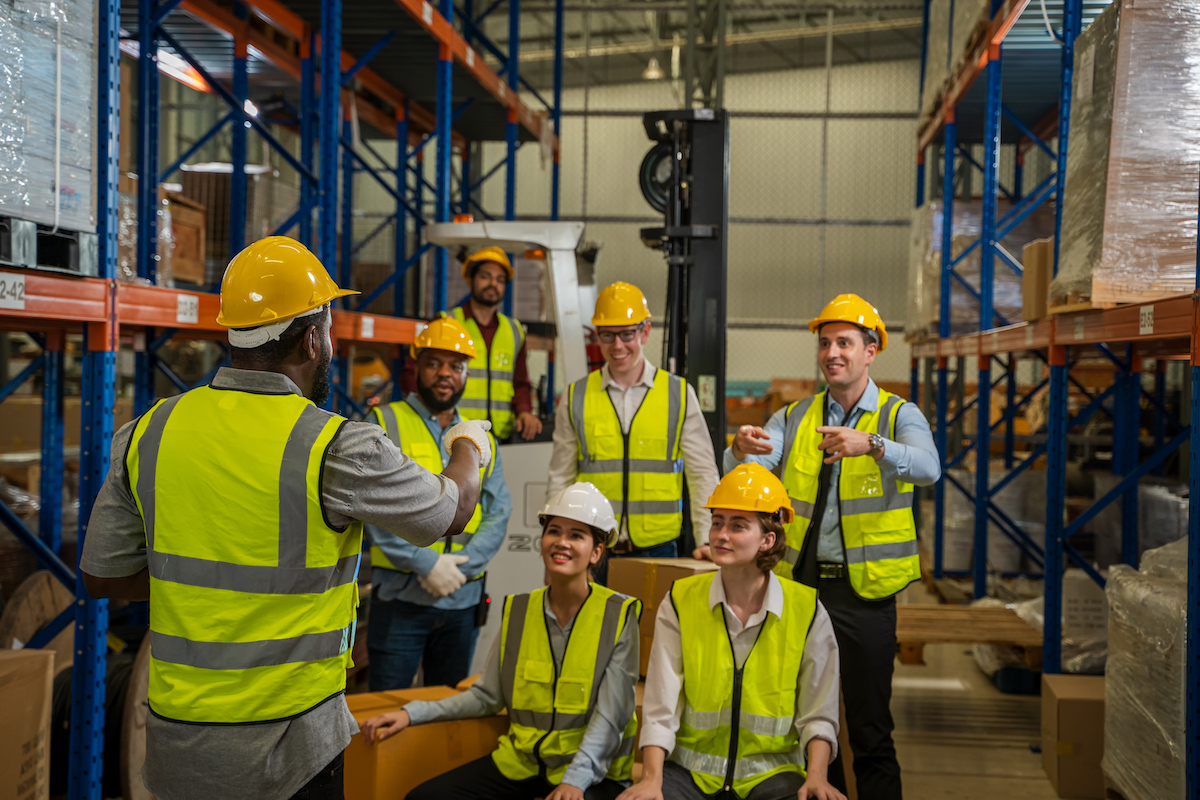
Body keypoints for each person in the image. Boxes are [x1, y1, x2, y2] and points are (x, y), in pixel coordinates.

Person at [79, 236, 494, 800]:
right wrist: (469, 444)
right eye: (328, 330)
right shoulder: (334, 446)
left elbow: (102, 577)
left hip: (177, 743)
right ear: (312, 339)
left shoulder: (149, 431)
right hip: (290, 751)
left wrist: (214, 590)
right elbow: (453, 510)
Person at [724, 294, 941, 800]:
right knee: (805, 728)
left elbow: (929, 468)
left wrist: (873, 446)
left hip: (865, 598)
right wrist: (740, 452)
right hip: (800, 592)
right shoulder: (793, 417)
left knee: (869, 730)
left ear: (871, 351)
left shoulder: (897, 415)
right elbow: (753, 475)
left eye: (844, 342)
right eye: (825, 343)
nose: (832, 352)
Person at [361, 482, 641, 800]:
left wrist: (575, 781)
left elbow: (610, 717)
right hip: (522, 765)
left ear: (596, 552)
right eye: (554, 531)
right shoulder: (520, 609)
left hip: (593, 775)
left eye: (576, 535)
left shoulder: (618, 615)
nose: (562, 542)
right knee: (424, 797)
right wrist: (413, 712)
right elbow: (485, 697)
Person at [621, 463, 844, 800]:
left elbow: (819, 713)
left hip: (773, 774)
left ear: (768, 539)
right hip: (690, 774)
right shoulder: (681, 601)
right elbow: (660, 707)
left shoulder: (807, 610)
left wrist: (817, 777)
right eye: (717, 523)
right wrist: (651, 779)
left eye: (738, 526)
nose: (721, 535)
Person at [367, 316, 512, 691]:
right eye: (434, 364)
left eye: (456, 366)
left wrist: (462, 569)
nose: (445, 374)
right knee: (386, 711)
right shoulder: (385, 421)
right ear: (417, 366)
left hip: (462, 601)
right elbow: (372, 506)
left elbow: (499, 510)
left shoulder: (480, 436)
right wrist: (426, 563)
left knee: (447, 717)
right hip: (401, 599)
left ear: (466, 373)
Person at [547, 281, 720, 575]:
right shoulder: (576, 397)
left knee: (654, 624)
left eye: (627, 334)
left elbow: (702, 473)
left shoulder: (677, 394)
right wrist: (556, 544)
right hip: (593, 546)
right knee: (594, 623)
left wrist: (707, 537)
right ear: (597, 337)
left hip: (660, 549)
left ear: (645, 332)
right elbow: (560, 478)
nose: (617, 345)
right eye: (608, 335)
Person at [401, 247, 540, 441]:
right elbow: (412, 373)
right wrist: (428, 415)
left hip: (499, 434)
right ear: (470, 280)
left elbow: (520, 381)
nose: (493, 284)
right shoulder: (445, 323)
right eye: (486, 276)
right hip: (454, 432)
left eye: (500, 280)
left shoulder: (514, 330)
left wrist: (525, 411)